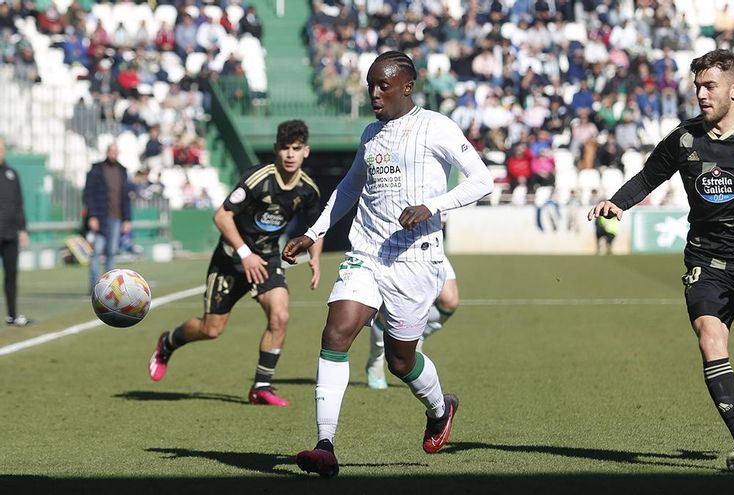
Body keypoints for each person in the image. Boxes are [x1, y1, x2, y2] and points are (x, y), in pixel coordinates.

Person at [588, 49, 734, 472]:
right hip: (706, 260)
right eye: (697, 87)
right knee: (710, 338)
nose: (701, 94)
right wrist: (617, 202)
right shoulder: (684, 138)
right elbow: (649, 176)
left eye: (710, 86)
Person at [282, 51, 493, 478]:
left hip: (415, 260)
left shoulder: (437, 127)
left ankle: (440, 408)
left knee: (400, 361)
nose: (374, 93)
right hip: (366, 254)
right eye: (371, 85)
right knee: (337, 331)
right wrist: (315, 232)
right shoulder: (371, 134)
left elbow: (482, 180)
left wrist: (432, 205)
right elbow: (347, 188)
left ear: (407, 87)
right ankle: (325, 445)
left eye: (383, 86)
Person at [147, 120, 324, 406]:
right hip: (231, 260)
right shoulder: (258, 179)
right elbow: (221, 216)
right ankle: (168, 343)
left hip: (266, 259)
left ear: (306, 151)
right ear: (276, 150)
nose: (290, 155)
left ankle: (261, 387)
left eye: (296, 149)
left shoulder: (308, 189)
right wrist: (245, 253)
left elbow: (316, 226)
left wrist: (315, 257)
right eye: (285, 149)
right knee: (211, 329)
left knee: (280, 316)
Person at [365, 253, 460, 389]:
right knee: (387, 312)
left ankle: (417, 335)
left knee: (449, 301)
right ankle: (376, 359)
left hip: (429, 246)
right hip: (395, 248)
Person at [83, 142, 131, 291]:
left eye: (116, 151)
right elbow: (88, 194)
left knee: (111, 253)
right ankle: (93, 288)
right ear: (106, 151)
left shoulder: (122, 171)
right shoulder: (97, 169)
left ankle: (107, 289)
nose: (113, 153)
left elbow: (125, 197)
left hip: (116, 218)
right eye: (111, 150)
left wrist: (127, 219)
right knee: (96, 252)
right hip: (100, 218)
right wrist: (92, 216)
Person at [0, 138, 30, 326]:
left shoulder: (12, 174)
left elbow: (19, 204)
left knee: (11, 275)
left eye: (1, 148)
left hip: (10, 234)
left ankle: (12, 315)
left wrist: (22, 229)